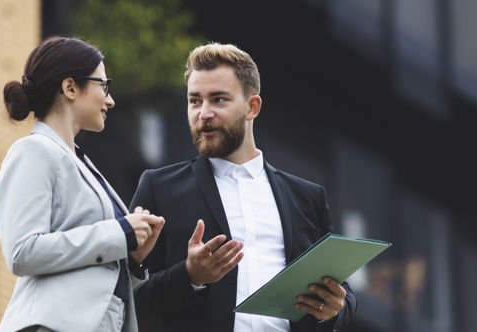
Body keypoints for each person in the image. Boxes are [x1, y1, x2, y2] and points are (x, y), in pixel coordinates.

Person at [130, 43, 356, 332]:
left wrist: (334, 308)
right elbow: (126, 294)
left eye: (219, 100)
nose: (204, 113)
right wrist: (189, 276)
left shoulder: (307, 197)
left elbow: (342, 295)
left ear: (252, 107)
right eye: (195, 101)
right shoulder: (159, 188)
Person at [0, 36, 165, 332]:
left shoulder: (82, 164)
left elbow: (97, 276)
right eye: (103, 85)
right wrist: (120, 232)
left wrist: (133, 257)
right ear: (70, 87)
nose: (110, 99)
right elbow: (22, 251)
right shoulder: (33, 151)